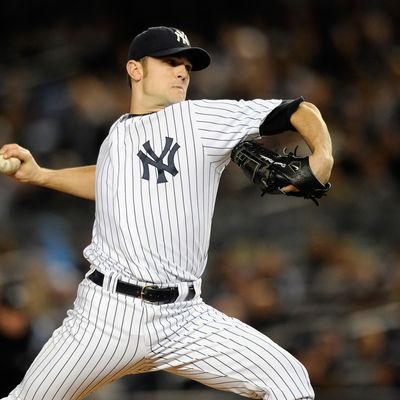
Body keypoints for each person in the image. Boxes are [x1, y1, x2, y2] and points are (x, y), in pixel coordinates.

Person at [0, 26, 333, 400]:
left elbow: (299, 110)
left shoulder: (198, 120)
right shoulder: (118, 134)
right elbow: (108, 182)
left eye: (187, 66)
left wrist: (323, 155)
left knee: (289, 382)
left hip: (185, 319)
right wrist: (41, 175)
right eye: (170, 61)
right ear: (135, 70)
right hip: (106, 315)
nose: (182, 72)